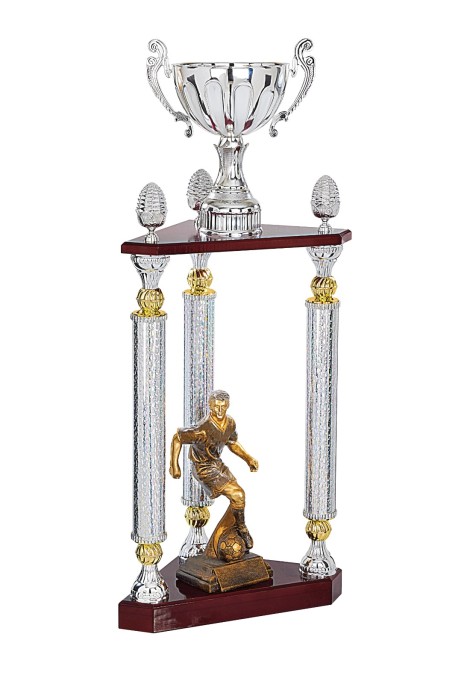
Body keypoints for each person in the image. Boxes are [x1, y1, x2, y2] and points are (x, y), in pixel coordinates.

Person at [170, 390, 258, 549]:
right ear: (210, 406)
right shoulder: (202, 429)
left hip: (217, 464)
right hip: (203, 468)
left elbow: (232, 443)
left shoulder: (230, 423)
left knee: (239, 497)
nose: (219, 410)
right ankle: (242, 528)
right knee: (238, 495)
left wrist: (248, 459)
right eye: (216, 407)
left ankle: (236, 528)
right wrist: (174, 465)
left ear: (228, 405)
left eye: (223, 407)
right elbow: (177, 438)